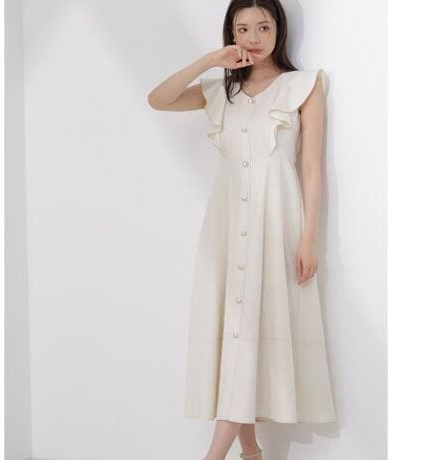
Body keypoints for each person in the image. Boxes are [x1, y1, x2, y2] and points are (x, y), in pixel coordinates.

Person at [147, 1, 337, 459]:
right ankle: (251, 452)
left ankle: (215, 455)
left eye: (263, 27)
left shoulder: (303, 85)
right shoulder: (219, 92)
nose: (253, 37)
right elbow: (159, 99)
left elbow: (311, 167)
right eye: (243, 28)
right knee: (235, 331)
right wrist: (211, 60)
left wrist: (309, 237)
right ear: (231, 34)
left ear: (279, 30)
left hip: (277, 223)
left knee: (253, 328)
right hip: (227, 225)